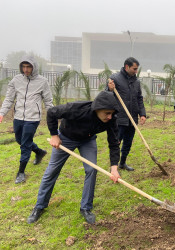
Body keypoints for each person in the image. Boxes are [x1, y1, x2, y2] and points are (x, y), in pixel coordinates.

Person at [27, 91, 121, 224]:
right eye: (107, 113)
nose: (110, 116)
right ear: (97, 109)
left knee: (91, 170)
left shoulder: (112, 119)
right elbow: (52, 112)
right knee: (52, 170)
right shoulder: (78, 109)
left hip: (87, 140)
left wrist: (114, 168)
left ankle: (86, 208)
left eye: (112, 113)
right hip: (66, 138)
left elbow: (114, 143)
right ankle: (39, 206)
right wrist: (54, 135)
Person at [0, 56, 53, 184]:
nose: (26, 69)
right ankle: (39, 152)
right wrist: (1, 113)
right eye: (23, 66)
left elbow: (48, 100)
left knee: (25, 144)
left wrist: (53, 116)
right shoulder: (16, 80)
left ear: (34, 67)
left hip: (33, 118)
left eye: (28, 66)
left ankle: (21, 172)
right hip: (18, 116)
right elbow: (8, 99)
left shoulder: (42, 81)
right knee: (19, 140)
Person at [106, 57, 146, 171]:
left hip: (132, 118)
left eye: (137, 69)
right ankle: (114, 166)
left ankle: (122, 163)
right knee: (116, 143)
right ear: (127, 67)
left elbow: (139, 99)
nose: (136, 71)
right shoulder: (115, 79)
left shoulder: (136, 82)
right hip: (119, 118)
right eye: (134, 69)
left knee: (128, 143)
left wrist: (142, 114)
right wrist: (110, 89)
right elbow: (106, 96)